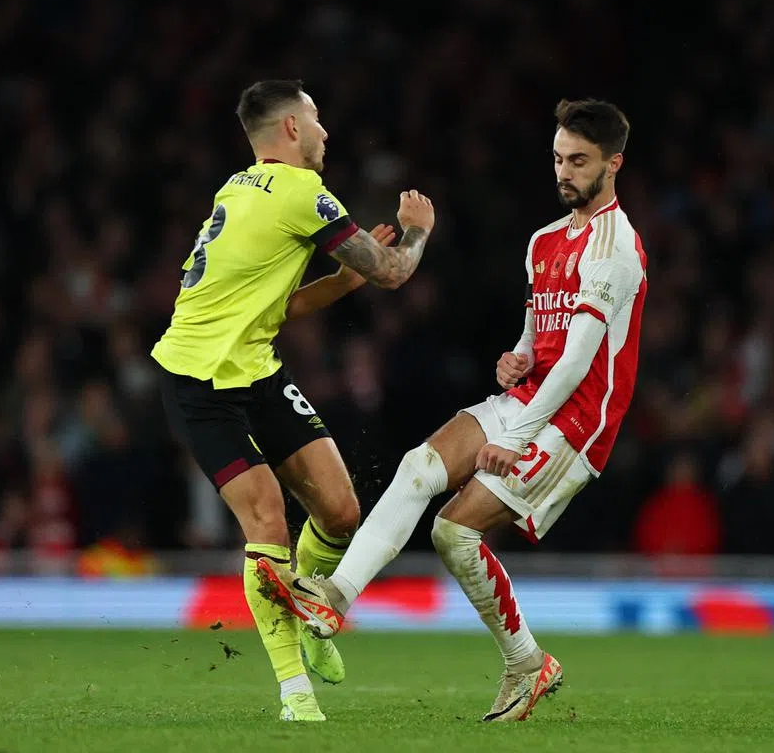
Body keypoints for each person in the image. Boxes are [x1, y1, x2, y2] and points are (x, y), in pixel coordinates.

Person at [255, 98, 647, 722]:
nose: (564, 172)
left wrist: (516, 436)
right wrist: (514, 360)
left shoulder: (616, 248)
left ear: (613, 164)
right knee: (418, 466)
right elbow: (537, 339)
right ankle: (333, 597)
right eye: (557, 159)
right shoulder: (545, 240)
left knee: (453, 531)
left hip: (575, 423)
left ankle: (527, 661)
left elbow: (576, 364)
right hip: (530, 397)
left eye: (578, 161)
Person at [151, 79, 435, 721]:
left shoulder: (238, 188)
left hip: (253, 369)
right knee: (268, 522)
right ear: (289, 130)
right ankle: (293, 693)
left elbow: (278, 308)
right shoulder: (303, 192)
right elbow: (394, 273)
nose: (325, 132)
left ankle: (309, 618)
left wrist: (341, 282)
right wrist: (418, 233)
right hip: (199, 383)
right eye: (316, 119)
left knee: (340, 512)